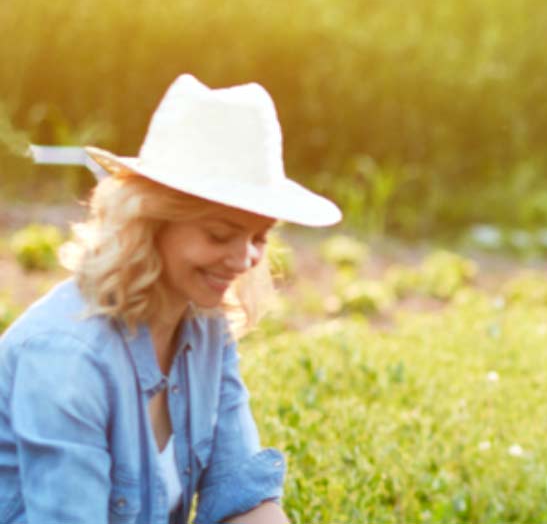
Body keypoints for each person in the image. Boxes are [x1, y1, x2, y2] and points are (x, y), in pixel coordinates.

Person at [0, 74, 342, 523]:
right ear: (151, 221)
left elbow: (240, 494)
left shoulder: (204, 329)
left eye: (259, 237)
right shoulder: (67, 356)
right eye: (219, 234)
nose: (244, 259)